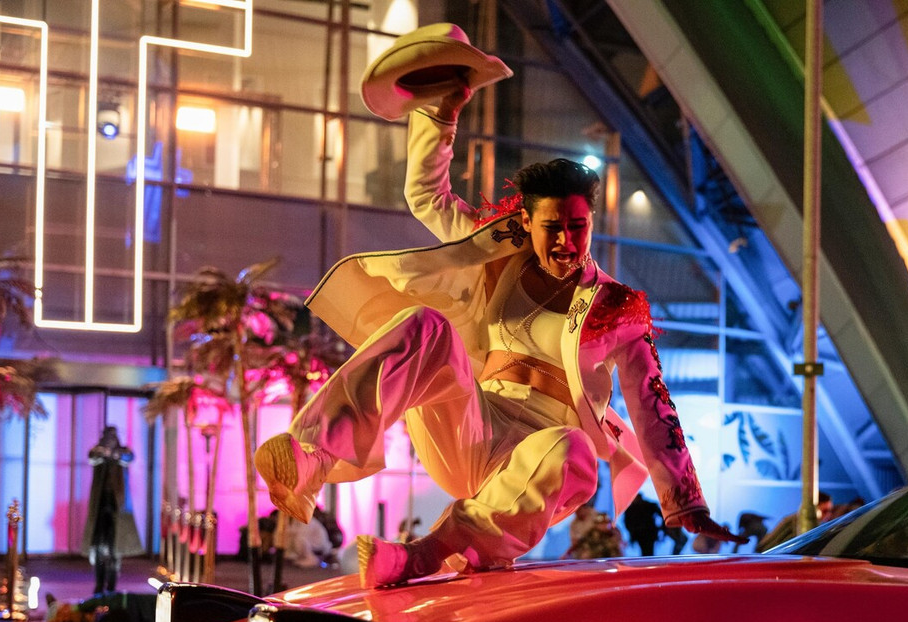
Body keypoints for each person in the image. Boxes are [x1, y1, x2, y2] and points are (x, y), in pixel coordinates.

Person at [255, 24, 742, 587]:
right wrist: (442, 115)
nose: (566, 241)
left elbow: (653, 405)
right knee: (425, 323)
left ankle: (427, 552)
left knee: (573, 448)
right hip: (474, 425)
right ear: (526, 222)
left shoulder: (616, 304)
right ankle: (312, 455)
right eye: (553, 227)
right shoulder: (498, 253)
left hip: (545, 456)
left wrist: (684, 502)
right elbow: (426, 197)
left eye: (578, 226)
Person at [82, 426, 141, 595]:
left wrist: (114, 454)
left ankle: (111, 586)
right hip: (101, 506)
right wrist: (105, 453)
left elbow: (128, 457)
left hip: (117, 507)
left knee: (115, 550)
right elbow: (92, 457)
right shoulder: (98, 452)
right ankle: (99, 584)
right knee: (99, 549)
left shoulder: (122, 452)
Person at [757, 491, 834, 551]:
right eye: (825, 511)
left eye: (830, 511)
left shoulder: (801, 520)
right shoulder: (799, 522)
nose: (828, 515)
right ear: (814, 509)